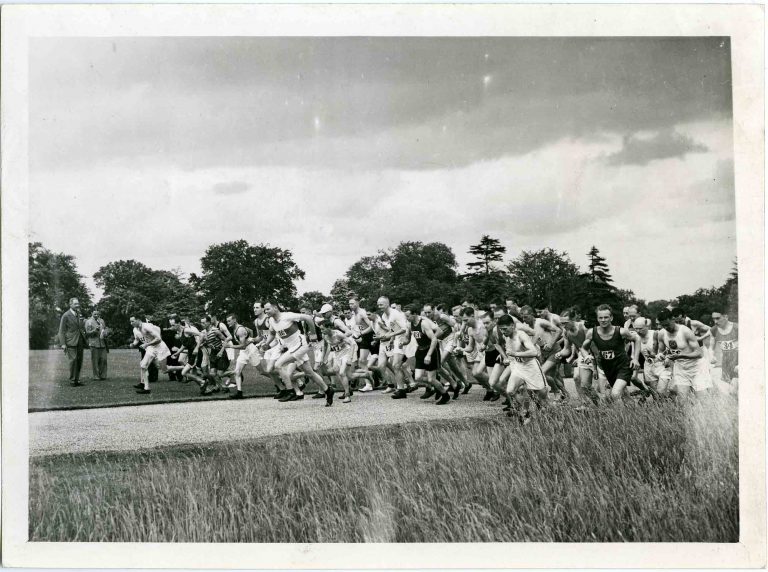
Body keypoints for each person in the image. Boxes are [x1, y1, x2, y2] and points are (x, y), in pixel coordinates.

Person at [261, 302, 334, 406]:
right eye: (265, 310)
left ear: (275, 308)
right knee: (310, 373)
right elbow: (272, 333)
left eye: (268, 309)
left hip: (300, 344)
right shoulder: (271, 320)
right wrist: (267, 343)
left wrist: (313, 334)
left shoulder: (287, 316)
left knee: (278, 365)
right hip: (292, 347)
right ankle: (328, 390)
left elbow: (308, 318)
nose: (266, 311)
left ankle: (290, 391)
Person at [582, 305, 641, 403]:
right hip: (608, 368)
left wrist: (635, 359)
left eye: (606, 317)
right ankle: (633, 410)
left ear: (611, 318)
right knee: (624, 395)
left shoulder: (621, 331)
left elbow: (637, 339)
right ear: (597, 319)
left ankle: (621, 414)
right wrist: (586, 356)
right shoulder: (592, 333)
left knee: (615, 394)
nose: (603, 320)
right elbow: (583, 348)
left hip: (623, 366)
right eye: (600, 318)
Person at [496, 314, 549, 425]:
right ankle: (527, 412)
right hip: (518, 367)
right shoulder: (506, 337)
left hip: (531, 366)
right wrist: (505, 357)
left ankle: (547, 414)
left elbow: (533, 352)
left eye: (505, 329)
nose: (503, 332)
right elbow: (506, 348)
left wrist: (515, 354)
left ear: (512, 326)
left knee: (541, 395)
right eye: (501, 329)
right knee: (510, 390)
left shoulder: (521, 335)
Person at [657, 308, 712, 397]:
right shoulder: (661, 333)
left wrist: (681, 356)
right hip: (681, 369)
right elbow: (661, 351)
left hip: (697, 368)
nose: (666, 328)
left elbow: (699, 353)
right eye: (663, 326)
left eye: (667, 325)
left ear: (672, 319)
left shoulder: (685, 331)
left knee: (702, 398)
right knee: (682, 400)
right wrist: (661, 356)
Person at [404, 304, 450, 404]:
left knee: (431, 379)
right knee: (418, 377)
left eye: (408, 316)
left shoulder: (423, 323)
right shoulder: (409, 324)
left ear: (414, 314)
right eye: (405, 316)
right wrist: (402, 342)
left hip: (431, 351)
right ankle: (437, 384)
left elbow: (434, 339)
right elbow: (407, 339)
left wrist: (428, 355)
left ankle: (445, 395)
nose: (406, 318)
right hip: (420, 351)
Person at [375, 296, 411, 399]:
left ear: (387, 304)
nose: (379, 306)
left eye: (381, 304)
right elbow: (392, 329)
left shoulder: (395, 314)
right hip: (396, 340)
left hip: (404, 339)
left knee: (396, 365)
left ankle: (404, 387)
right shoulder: (384, 316)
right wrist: (388, 338)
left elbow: (404, 329)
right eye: (378, 304)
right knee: (396, 365)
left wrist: (391, 335)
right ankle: (402, 389)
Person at [130, 315, 171, 394]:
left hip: (160, 347)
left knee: (164, 370)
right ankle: (146, 388)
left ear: (138, 320)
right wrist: (133, 344)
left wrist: (146, 344)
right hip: (151, 348)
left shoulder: (147, 326)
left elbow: (159, 339)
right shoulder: (136, 329)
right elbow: (137, 339)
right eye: (130, 322)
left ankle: (183, 368)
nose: (131, 323)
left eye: (133, 321)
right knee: (143, 365)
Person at [633, 317, 672, 397]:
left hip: (662, 365)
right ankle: (665, 404)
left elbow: (670, 348)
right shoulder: (635, 337)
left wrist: (667, 358)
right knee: (656, 396)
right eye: (636, 328)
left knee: (661, 391)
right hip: (648, 366)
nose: (638, 331)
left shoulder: (656, 334)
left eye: (640, 329)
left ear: (647, 326)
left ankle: (672, 399)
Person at [58, 297, 87, 386]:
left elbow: (81, 327)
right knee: (73, 360)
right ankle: (72, 380)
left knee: (79, 360)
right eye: (75, 304)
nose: (77, 305)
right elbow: (61, 331)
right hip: (71, 341)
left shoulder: (79, 314)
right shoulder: (66, 315)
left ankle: (77, 380)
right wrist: (63, 344)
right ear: (70, 304)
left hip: (80, 340)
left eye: (78, 303)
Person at [710, 311, 738, 391]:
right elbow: (711, 347)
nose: (715, 322)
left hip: (739, 360)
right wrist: (712, 356)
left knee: (735, 388)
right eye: (713, 319)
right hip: (726, 362)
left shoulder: (737, 328)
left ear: (726, 317)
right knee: (729, 391)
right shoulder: (713, 330)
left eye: (718, 318)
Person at [84, 310, 109, 380]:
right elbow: (87, 333)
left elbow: (105, 329)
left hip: (102, 343)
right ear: (91, 313)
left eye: (97, 314)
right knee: (95, 361)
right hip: (94, 343)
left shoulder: (102, 321)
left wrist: (106, 332)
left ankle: (103, 375)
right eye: (95, 314)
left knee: (103, 359)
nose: (96, 315)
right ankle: (96, 376)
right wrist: (95, 330)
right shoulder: (88, 322)